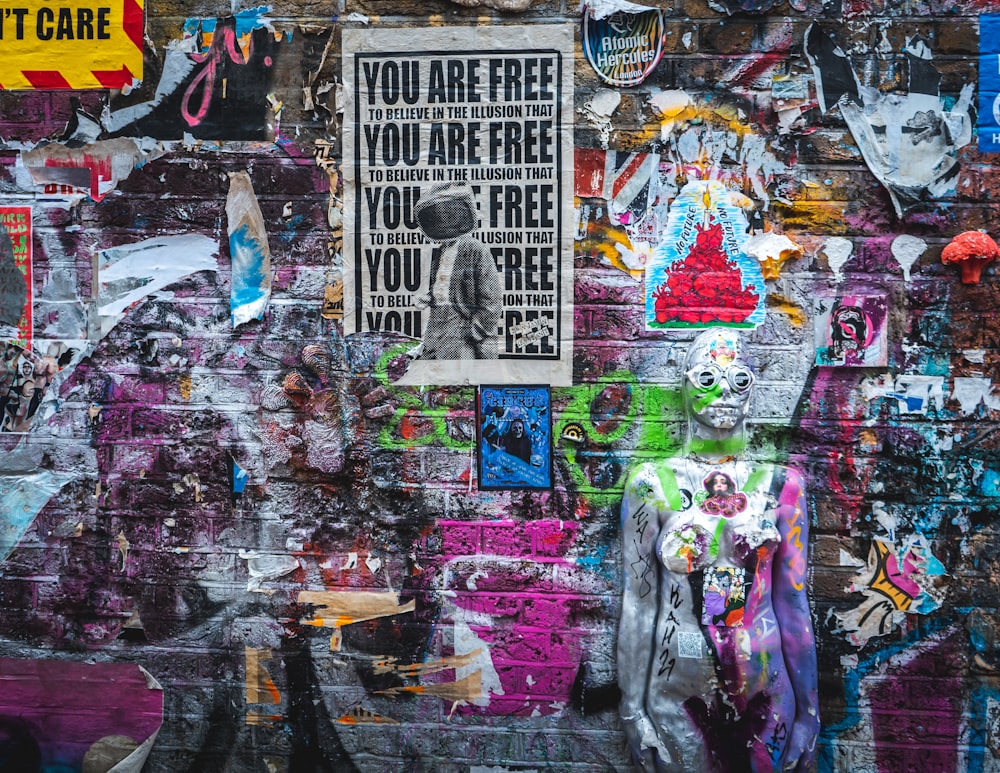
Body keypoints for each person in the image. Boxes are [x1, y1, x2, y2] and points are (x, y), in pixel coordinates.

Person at [618, 328, 819, 773]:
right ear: (686, 385)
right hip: (678, 688)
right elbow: (638, 604)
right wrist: (632, 711)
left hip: (766, 684)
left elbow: (793, 603)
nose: (724, 391)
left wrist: (809, 713)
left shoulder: (781, 486)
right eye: (708, 378)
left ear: (752, 389)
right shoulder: (653, 484)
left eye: (739, 379)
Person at [412, 183, 502, 360]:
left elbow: (491, 299)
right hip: (436, 320)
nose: (444, 221)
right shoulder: (440, 250)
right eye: (438, 216)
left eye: (449, 214)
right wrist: (429, 297)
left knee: (456, 375)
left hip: (461, 320)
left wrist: (476, 330)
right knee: (429, 367)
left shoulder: (476, 249)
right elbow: (444, 285)